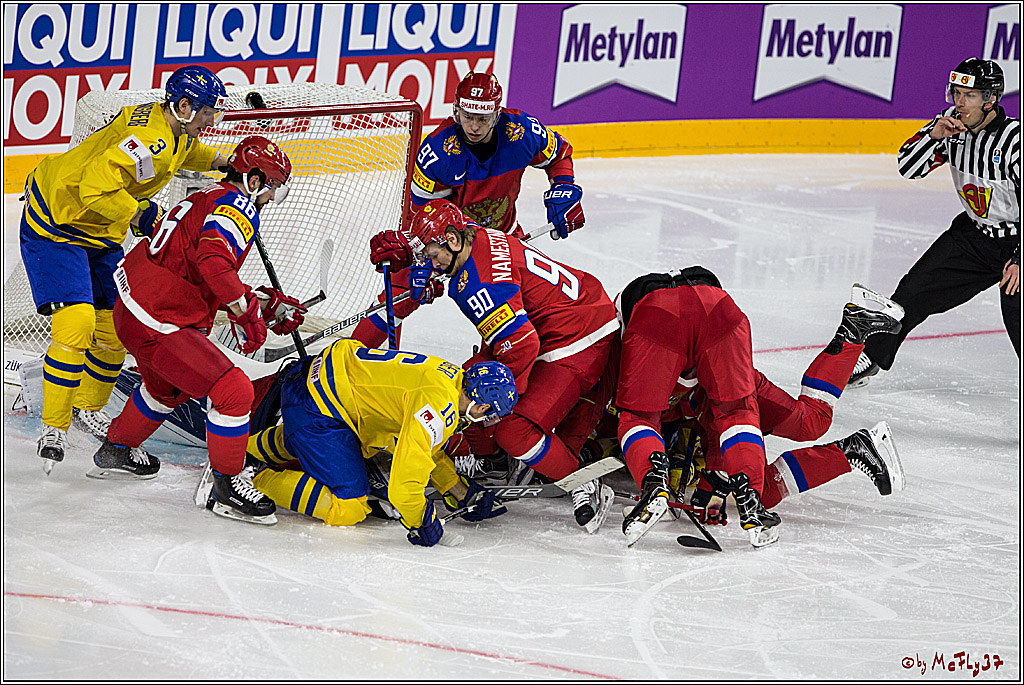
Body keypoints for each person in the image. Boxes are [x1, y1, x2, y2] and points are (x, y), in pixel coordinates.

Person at [21, 64, 232, 471]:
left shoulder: (171, 126)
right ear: (184, 107)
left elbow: (183, 152)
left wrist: (224, 161)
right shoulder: (150, 138)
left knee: (116, 326)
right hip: (56, 225)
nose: (211, 120)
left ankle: (87, 408)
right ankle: (53, 426)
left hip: (99, 231)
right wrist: (141, 214)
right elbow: (92, 188)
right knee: (76, 324)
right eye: (207, 112)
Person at [88, 136, 305, 527]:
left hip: (133, 307)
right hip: (158, 319)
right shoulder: (238, 206)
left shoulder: (208, 195)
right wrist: (245, 312)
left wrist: (256, 301)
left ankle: (116, 450)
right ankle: (226, 488)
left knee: (166, 388)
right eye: (273, 186)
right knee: (233, 390)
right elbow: (214, 263)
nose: (273, 198)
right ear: (254, 180)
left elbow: (193, 268)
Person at [371, 200, 620, 533]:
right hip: (572, 310)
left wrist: (502, 405)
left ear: (452, 240)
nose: (430, 263)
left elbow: (523, 346)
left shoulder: (479, 286)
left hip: (578, 339)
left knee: (511, 429)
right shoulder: (476, 234)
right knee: (457, 383)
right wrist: (422, 265)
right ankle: (495, 461)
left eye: (432, 255)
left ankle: (582, 481)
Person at [612, 269, 904, 548]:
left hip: (683, 352)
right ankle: (853, 440)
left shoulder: (634, 384)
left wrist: (711, 475)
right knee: (792, 432)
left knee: (642, 419)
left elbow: (695, 422)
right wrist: (714, 476)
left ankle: (657, 484)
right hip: (718, 321)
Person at [354, 70, 584, 348]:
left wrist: (564, 187)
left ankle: (513, 360)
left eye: (483, 119)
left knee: (523, 298)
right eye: (468, 116)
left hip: (501, 237)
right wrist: (425, 261)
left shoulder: (521, 132)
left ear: (496, 115)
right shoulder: (437, 153)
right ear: (456, 111)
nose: (474, 126)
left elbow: (559, 154)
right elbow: (423, 216)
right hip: (446, 241)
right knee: (401, 294)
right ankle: (346, 358)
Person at [229, 338, 517, 545]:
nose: (487, 419)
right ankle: (249, 480)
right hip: (318, 406)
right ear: (481, 405)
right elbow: (404, 485)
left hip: (323, 382)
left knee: (303, 441)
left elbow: (425, 447)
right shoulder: (439, 406)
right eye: (490, 414)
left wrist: (459, 490)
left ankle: (239, 452)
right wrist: (420, 519)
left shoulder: (450, 378)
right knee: (350, 507)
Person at [850, 57, 1020, 387]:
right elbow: (909, 168)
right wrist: (932, 136)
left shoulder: (1015, 141)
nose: (960, 102)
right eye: (956, 93)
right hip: (973, 238)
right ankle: (872, 357)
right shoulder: (950, 127)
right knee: (912, 292)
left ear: (990, 100)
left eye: (969, 96)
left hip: (1016, 243)